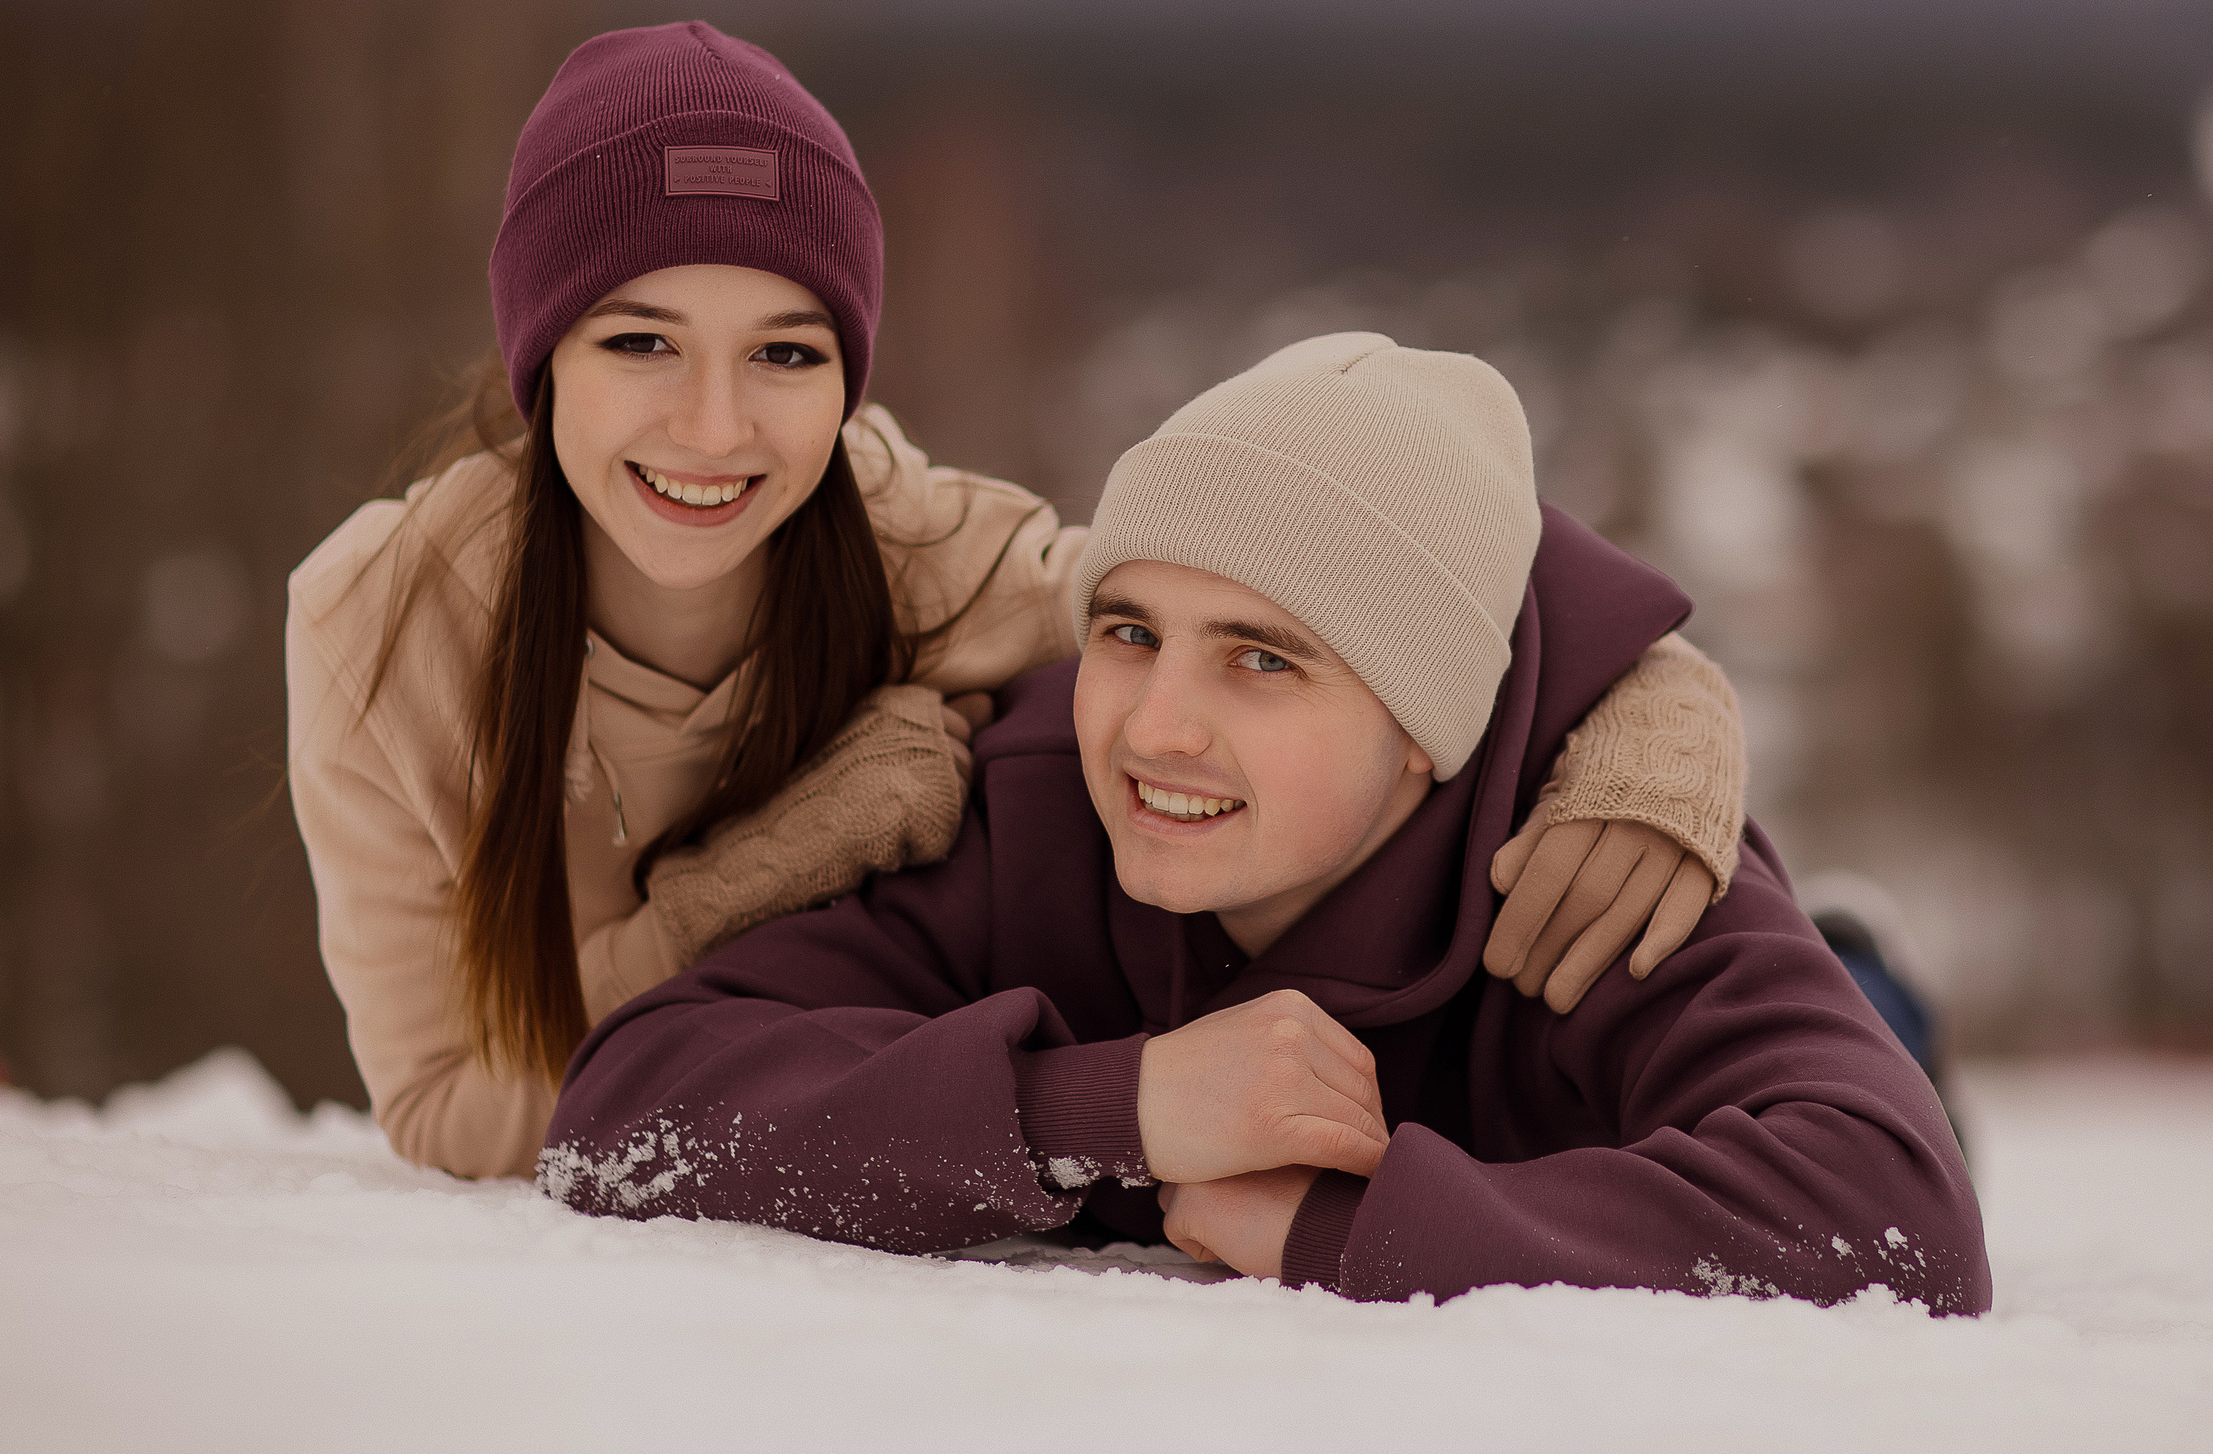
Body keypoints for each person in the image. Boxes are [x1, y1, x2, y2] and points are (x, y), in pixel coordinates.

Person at [286, 24, 1755, 1181]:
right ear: (543, 357)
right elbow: (440, 1105)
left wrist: (1659, 705)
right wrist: (750, 889)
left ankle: (1869, 981)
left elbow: (1341, 567)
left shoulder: (929, 557)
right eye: (642, 342)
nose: (717, 428)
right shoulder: (384, 632)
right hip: (859, 1117)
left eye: (788, 355)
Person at [539, 333, 1990, 1310]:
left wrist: (1336, 1230)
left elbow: (1899, 1218)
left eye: (1263, 659)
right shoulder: (1040, 807)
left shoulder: (1603, 869)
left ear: (1425, 729)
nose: (1156, 725)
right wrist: (1102, 1108)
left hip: (1714, 1043)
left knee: (1860, 1012)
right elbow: (625, 1116)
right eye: (1127, 630)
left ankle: (1862, 964)